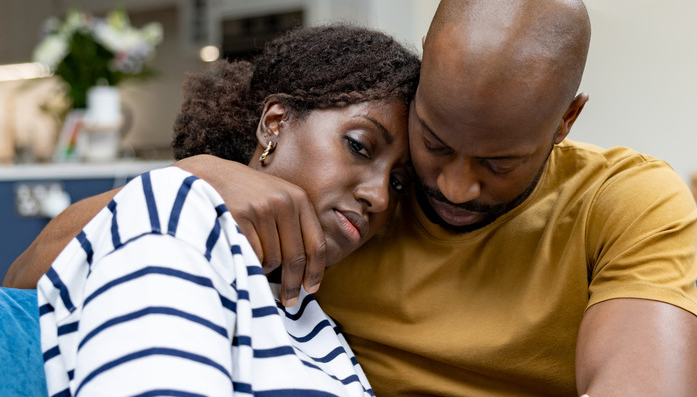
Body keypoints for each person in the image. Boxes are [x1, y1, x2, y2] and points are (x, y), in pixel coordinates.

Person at [6, 0, 697, 396]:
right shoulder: (340, 214)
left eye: (500, 163)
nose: (458, 187)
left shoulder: (625, 199)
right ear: (425, 68)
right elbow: (29, 286)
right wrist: (195, 181)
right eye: (435, 144)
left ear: (566, 121)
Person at [31, 24, 420, 396]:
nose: (380, 198)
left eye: (398, 182)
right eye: (359, 146)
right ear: (275, 123)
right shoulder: (178, 219)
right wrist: (192, 177)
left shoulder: (314, 316)